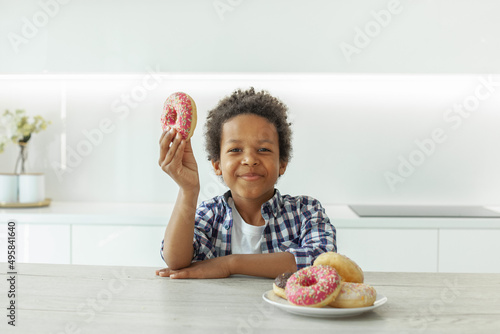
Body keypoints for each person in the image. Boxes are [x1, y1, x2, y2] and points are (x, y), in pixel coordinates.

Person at [155, 87, 336, 279]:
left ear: (282, 163)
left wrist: (230, 264)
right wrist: (188, 190)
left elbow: (322, 261)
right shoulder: (210, 214)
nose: (250, 159)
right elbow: (175, 261)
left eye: (264, 149)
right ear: (217, 165)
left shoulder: (305, 211)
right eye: (235, 150)